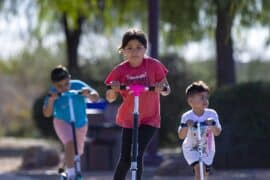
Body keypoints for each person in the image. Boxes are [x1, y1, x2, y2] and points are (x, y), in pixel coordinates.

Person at [104, 28, 170, 180]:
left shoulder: (153, 65)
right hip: (129, 118)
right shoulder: (120, 70)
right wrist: (113, 90)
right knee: (126, 157)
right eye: (130, 48)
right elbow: (110, 98)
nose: (134, 51)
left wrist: (162, 89)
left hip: (150, 118)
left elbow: (167, 89)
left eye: (139, 47)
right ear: (123, 51)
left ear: (145, 49)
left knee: (137, 152)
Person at [43, 65, 99, 179]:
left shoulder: (78, 84)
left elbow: (96, 97)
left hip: (81, 123)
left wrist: (88, 94)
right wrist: (51, 101)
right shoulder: (52, 93)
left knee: (75, 153)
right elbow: (47, 113)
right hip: (61, 121)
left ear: (70, 78)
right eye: (60, 86)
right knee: (70, 143)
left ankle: (61, 170)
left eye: (66, 83)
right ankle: (71, 175)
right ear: (54, 84)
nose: (64, 87)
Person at [178, 81, 222, 180]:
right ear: (190, 101)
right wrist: (186, 126)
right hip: (191, 149)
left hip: (208, 150)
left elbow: (217, 132)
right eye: (202, 98)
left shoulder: (212, 114)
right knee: (199, 170)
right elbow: (181, 135)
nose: (205, 100)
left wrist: (212, 125)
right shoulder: (187, 116)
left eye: (207, 98)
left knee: (204, 176)